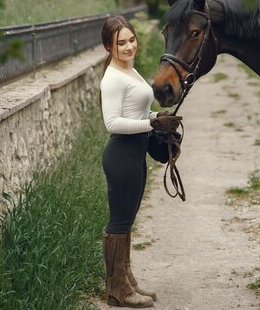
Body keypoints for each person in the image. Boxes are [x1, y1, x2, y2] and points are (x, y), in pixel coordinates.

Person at [99, 15, 181, 308]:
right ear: (109, 46)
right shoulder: (112, 78)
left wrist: (158, 118)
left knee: (127, 220)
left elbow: (134, 115)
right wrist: (151, 126)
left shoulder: (130, 71)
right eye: (120, 43)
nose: (128, 46)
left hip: (135, 153)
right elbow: (112, 123)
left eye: (131, 39)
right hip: (121, 155)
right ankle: (117, 290)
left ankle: (126, 281)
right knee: (119, 221)